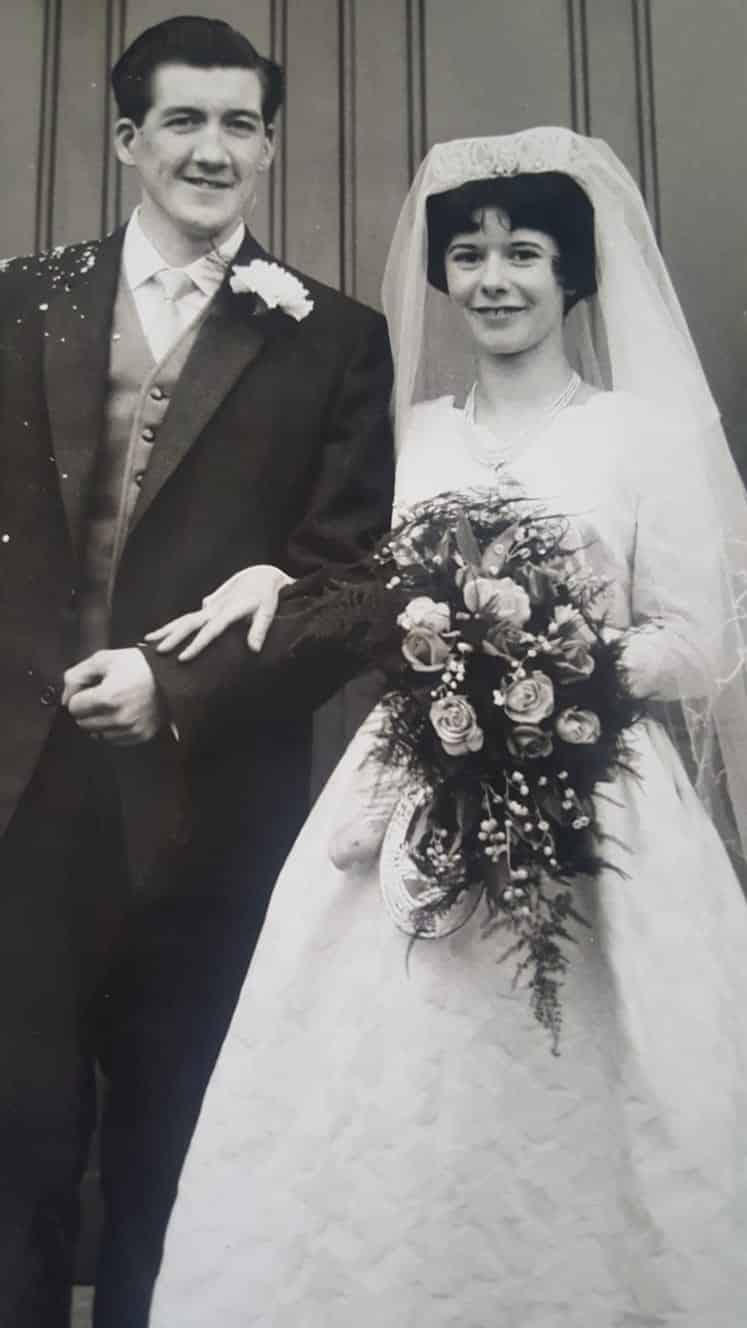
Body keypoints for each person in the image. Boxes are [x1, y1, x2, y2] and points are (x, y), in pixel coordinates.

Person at [149, 127, 747, 1326]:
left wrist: (556, 660)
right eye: (469, 254)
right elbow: (347, 578)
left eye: (524, 252)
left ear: (574, 276)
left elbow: (701, 640)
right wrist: (279, 584)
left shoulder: (640, 435)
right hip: (413, 783)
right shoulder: (410, 431)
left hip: (598, 796)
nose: (494, 278)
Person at [0, 15, 393, 1328]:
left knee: (178, 1157)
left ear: (271, 144)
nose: (211, 149)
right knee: (16, 1148)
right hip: (20, 803)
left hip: (210, 812)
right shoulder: (15, 300)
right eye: (183, 120)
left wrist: (179, 688)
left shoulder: (332, 337)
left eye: (238, 123)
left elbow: (349, 592)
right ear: (127, 140)